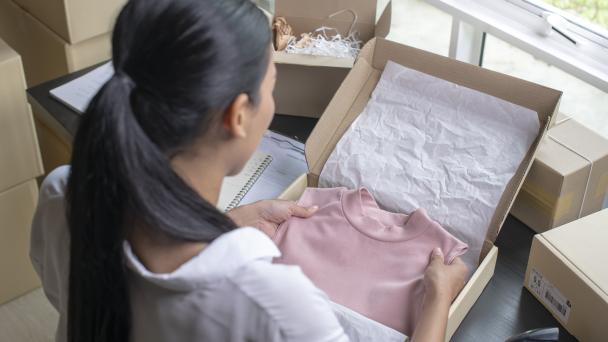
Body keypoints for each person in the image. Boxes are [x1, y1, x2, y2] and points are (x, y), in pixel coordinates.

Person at [30, 0, 468, 341]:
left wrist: (226, 224)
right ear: (238, 115)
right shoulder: (272, 303)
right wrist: (438, 300)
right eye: (272, 85)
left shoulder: (63, 194)